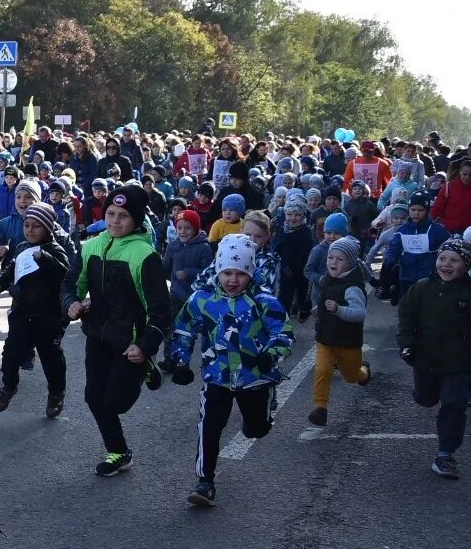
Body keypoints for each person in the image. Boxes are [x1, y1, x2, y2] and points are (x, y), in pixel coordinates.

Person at [160, 234, 292, 506]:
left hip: (254, 376)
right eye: (227, 273)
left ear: (250, 272)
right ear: (218, 270)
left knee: (257, 429)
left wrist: (272, 354)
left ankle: (260, 415)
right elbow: (184, 330)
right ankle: (205, 482)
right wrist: (182, 361)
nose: (233, 280)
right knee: (210, 424)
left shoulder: (264, 301)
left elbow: (282, 332)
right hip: (217, 375)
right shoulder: (202, 300)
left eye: (241, 273)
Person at [64, 185, 173, 477]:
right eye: (111, 213)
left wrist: (146, 345)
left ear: (136, 220)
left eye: (123, 216)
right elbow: (71, 283)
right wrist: (72, 303)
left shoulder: (145, 254)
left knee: (116, 402)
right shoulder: (90, 246)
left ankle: (145, 366)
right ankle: (119, 452)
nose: (115, 221)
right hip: (98, 335)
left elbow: (161, 310)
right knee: (93, 397)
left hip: (131, 341)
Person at [399, 237, 471, 480]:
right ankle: (424, 392)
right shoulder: (421, 288)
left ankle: (446, 454)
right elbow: (406, 316)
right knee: (426, 399)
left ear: (466, 265)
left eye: (455, 260)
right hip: (426, 359)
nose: (446, 264)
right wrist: (406, 344)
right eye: (442, 258)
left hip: (459, 363)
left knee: (454, 403)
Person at [0, 203, 71, 416]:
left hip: (48, 315)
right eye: (27, 225)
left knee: (51, 357)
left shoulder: (55, 250)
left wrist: (46, 259)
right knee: (11, 352)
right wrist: (0, 283)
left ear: (48, 228)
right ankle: (9, 386)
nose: (30, 230)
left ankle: (56, 394)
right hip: (21, 312)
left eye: (37, 226)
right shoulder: (23, 247)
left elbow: (65, 275)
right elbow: (12, 268)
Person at [306, 236, 371, 427]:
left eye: (339, 259)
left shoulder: (353, 287)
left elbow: (359, 314)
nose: (333, 262)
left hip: (347, 341)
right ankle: (320, 409)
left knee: (351, 377)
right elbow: (326, 300)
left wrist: (338, 309)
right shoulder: (327, 279)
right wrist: (319, 309)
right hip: (325, 338)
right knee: (322, 370)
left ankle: (364, 372)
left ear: (350, 263)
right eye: (330, 257)